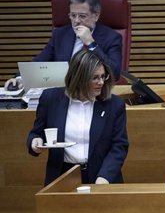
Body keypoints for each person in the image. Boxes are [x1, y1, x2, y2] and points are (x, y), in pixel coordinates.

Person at [27, 50, 129, 186]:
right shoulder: (50, 99)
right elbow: (36, 133)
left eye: (103, 76)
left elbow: (119, 146)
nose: (101, 82)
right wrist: (35, 141)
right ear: (78, 77)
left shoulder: (114, 105)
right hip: (62, 176)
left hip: (101, 177)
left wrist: (105, 177)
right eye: (95, 78)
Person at [5, 0, 123, 90]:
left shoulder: (112, 37)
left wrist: (91, 43)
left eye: (82, 16)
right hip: (62, 92)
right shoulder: (60, 35)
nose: (76, 21)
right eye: (73, 15)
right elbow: (40, 61)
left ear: (96, 16)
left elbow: (115, 73)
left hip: (95, 93)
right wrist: (20, 78)